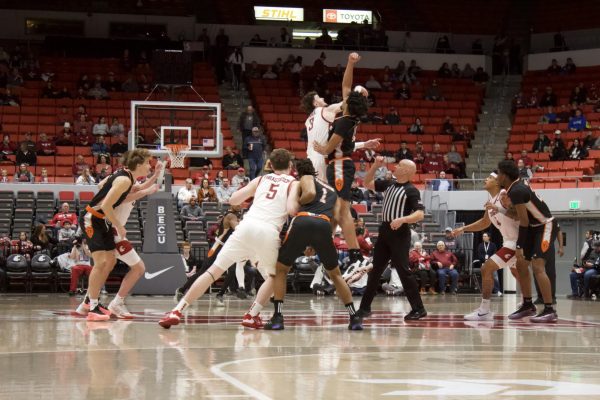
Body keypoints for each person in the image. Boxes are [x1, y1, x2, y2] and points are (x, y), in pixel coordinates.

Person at [159, 149, 298, 329]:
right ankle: (252, 314)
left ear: (270, 165)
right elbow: (292, 209)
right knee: (274, 276)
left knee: (212, 272)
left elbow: (233, 199)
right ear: (290, 165)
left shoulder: (261, 179)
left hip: (246, 226)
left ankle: (177, 310)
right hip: (268, 230)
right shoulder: (293, 183)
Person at [265, 159, 363, 330]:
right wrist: (317, 242)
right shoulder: (332, 191)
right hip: (324, 225)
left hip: (303, 221)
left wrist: (297, 203)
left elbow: (309, 193)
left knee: (281, 269)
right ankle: (354, 318)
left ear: (298, 171)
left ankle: (278, 317)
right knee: (336, 275)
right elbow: (334, 219)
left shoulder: (306, 178)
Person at [313, 53, 381, 270]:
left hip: (341, 164)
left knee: (343, 210)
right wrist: (350, 63)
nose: (350, 93)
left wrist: (321, 149)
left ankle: (354, 256)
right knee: (335, 211)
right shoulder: (346, 111)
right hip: (340, 164)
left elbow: (331, 145)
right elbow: (346, 83)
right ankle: (323, 250)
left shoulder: (346, 120)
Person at [75, 149, 151, 321]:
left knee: (110, 261)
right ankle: (93, 306)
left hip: (103, 221)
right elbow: (107, 206)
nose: (149, 166)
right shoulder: (124, 179)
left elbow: (101, 186)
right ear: (138, 165)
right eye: (147, 163)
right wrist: (119, 226)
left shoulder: (125, 176)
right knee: (101, 262)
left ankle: (90, 301)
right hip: (93, 219)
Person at [354, 157, 427, 327]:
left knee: (403, 271)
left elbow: (420, 214)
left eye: (400, 165)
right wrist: (374, 166)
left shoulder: (411, 190)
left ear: (407, 171)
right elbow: (367, 183)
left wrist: (402, 219)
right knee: (375, 270)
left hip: (400, 233)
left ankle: (418, 308)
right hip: (385, 231)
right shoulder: (389, 184)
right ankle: (365, 308)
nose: (395, 166)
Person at [496, 160, 558, 322]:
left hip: (545, 225)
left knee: (538, 266)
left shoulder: (517, 190)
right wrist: (501, 208)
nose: (497, 176)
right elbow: (519, 217)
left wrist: (519, 246)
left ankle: (550, 309)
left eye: (498, 173)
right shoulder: (514, 189)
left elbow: (522, 221)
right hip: (533, 227)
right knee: (522, 264)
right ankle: (528, 305)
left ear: (505, 175)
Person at [303, 52, 380, 181]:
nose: (322, 98)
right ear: (315, 103)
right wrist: (359, 90)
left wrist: (364, 144)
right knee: (328, 198)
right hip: (322, 159)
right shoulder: (325, 110)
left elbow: (338, 144)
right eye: (319, 98)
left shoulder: (308, 120)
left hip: (311, 157)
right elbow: (347, 97)